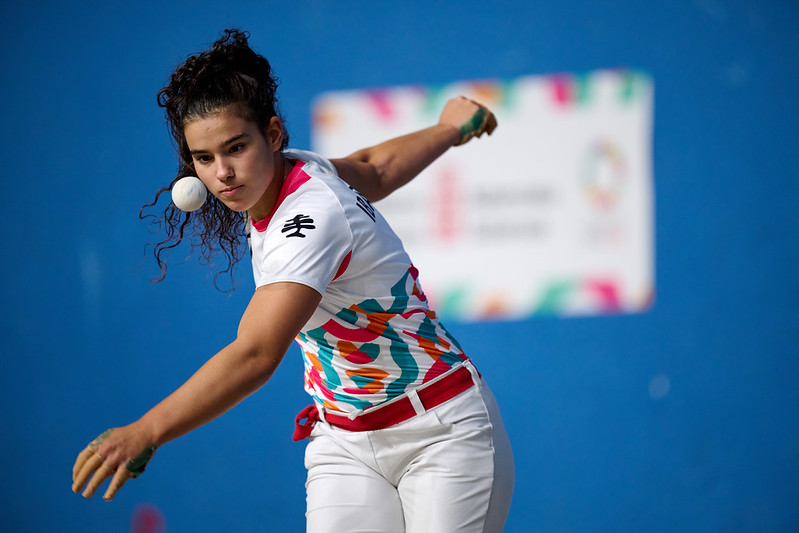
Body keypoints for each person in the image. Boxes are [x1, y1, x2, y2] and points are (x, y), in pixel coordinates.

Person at [72, 29, 514, 532]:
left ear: (274, 134)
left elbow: (257, 354)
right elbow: (377, 167)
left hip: (441, 430)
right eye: (204, 158)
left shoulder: (311, 215)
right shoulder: (293, 171)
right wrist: (450, 128)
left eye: (236, 147)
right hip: (346, 441)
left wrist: (147, 430)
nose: (223, 173)